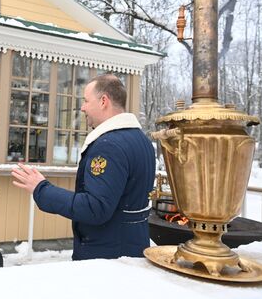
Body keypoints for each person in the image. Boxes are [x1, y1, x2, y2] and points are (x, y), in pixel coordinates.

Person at [12, 74, 155, 260]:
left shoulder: (109, 146)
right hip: (131, 250)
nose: (82, 107)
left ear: (104, 101)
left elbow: (96, 208)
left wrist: (41, 189)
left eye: (86, 101)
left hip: (107, 258)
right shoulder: (140, 140)